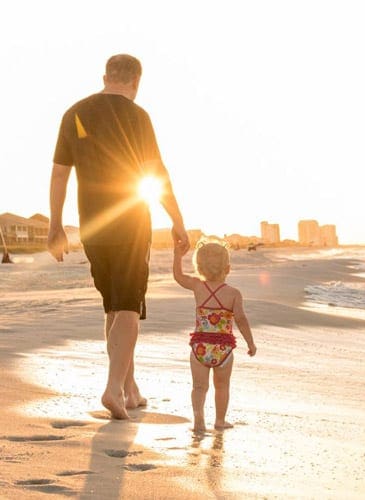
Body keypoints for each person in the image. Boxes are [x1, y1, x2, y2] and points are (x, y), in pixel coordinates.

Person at [48, 54, 190, 420]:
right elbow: (157, 174)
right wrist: (177, 220)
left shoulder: (75, 112)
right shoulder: (138, 116)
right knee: (128, 306)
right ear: (136, 82)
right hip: (129, 222)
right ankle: (113, 390)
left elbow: (60, 175)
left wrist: (55, 225)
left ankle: (129, 387)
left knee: (113, 305)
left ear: (105, 77)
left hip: (92, 227)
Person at [173, 241, 256, 433]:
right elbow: (241, 320)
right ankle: (220, 420)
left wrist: (177, 255)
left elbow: (178, 276)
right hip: (223, 349)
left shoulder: (197, 286)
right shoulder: (234, 294)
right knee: (222, 387)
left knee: (199, 387)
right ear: (228, 268)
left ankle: (199, 419)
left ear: (198, 268)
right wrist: (250, 342)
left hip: (199, 347)